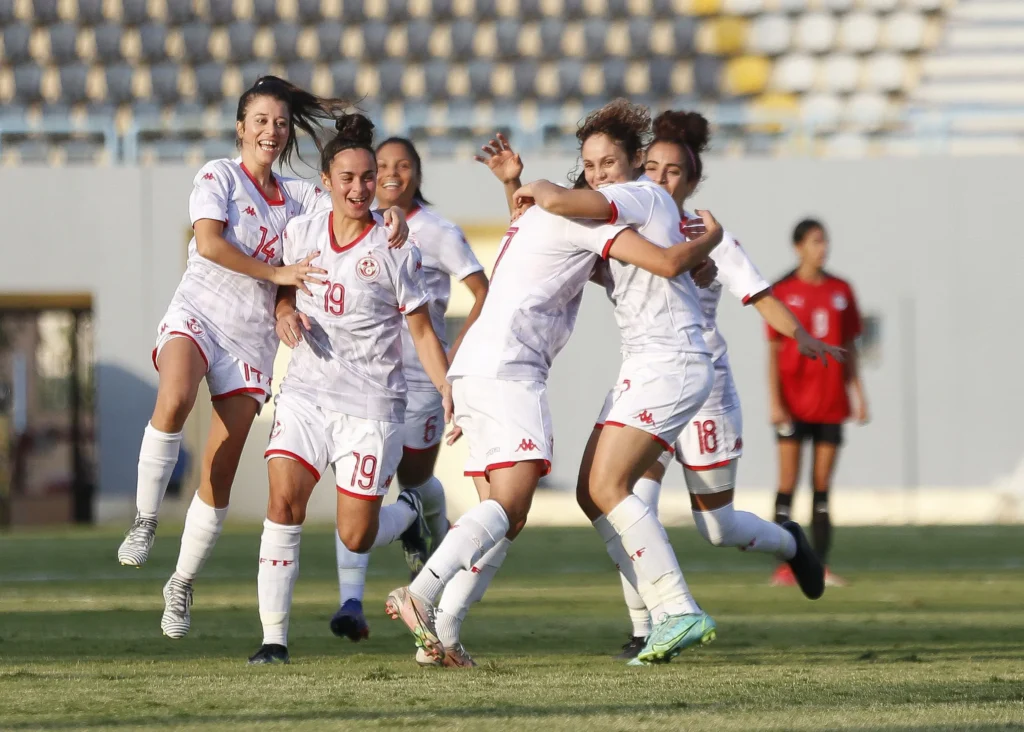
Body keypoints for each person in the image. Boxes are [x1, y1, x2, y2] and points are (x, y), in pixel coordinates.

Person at [385, 101, 725, 668]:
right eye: (590, 165)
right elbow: (634, 244)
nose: (598, 175)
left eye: (607, 162)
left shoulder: (613, 205)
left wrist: (524, 185)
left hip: (488, 368)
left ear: (632, 162)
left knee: (553, 500)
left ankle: (443, 630)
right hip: (516, 370)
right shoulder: (595, 217)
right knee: (532, 502)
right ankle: (425, 597)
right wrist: (534, 185)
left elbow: (575, 233)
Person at [115, 76, 409, 640]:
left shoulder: (298, 196)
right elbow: (209, 244)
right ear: (241, 128)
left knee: (219, 472)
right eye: (261, 121)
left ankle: (180, 583)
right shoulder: (218, 175)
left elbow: (355, 200)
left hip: (251, 343)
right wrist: (278, 275)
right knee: (175, 394)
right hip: (199, 314)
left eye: (280, 122)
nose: (271, 131)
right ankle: (146, 519)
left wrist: (392, 215)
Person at [596, 111, 842, 659]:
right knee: (629, 501)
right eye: (652, 167)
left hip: (701, 386)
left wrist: (800, 334)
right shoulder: (620, 227)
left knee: (718, 526)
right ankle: (644, 628)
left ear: (693, 181)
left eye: (675, 172)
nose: (661, 179)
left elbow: (758, 293)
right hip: (647, 380)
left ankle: (789, 542)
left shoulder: (705, 235)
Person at [248, 113, 454, 665]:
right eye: (348, 178)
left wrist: (446, 387)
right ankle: (273, 641)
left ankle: (411, 506)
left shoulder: (395, 249)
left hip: (370, 407)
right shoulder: (301, 231)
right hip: (306, 394)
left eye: (369, 178)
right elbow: (279, 287)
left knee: (357, 534)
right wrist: (286, 311)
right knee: (283, 504)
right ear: (326, 182)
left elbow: (421, 330)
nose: (360, 187)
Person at [329, 137, 489, 643]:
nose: (392, 174)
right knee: (361, 491)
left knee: (416, 482)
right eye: (382, 166)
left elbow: (483, 292)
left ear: (418, 173)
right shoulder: (358, 226)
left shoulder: (437, 232)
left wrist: (456, 353)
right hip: (365, 380)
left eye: (403, 165)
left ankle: (427, 534)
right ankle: (351, 601)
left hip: (421, 379)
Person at [769, 218, 868, 588]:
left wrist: (859, 394)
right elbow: (774, 350)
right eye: (814, 241)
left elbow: (851, 347)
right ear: (798, 247)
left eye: (824, 241)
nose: (821, 248)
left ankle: (819, 566)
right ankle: (784, 567)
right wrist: (775, 401)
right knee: (788, 483)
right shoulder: (782, 290)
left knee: (822, 486)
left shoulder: (842, 289)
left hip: (830, 402)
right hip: (793, 402)